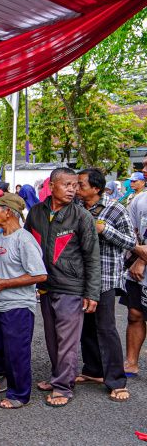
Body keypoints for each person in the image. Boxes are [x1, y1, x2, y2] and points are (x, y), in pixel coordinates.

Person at [25, 167, 100, 407]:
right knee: (52, 337)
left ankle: (63, 387)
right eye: (67, 184)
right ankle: (59, 376)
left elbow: (92, 257)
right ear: (52, 185)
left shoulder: (81, 216)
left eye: (76, 185)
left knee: (67, 340)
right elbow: (27, 246)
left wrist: (91, 292)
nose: (73, 189)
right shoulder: (36, 212)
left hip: (72, 287)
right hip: (45, 286)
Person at [0, 193, 47, 409]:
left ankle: (19, 394)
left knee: (16, 350)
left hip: (18, 306)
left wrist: (5, 283)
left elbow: (39, 275)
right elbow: (3, 265)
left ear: (8, 212)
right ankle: (7, 375)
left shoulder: (24, 239)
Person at [75, 168, 134, 402]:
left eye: (81, 185)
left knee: (106, 328)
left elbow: (131, 241)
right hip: (81, 277)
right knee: (86, 325)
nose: (76, 188)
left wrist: (105, 229)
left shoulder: (116, 209)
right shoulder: (78, 208)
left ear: (96, 188)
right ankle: (93, 370)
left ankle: (117, 381)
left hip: (106, 278)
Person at [121, 169, 147, 376]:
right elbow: (131, 233)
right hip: (138, 270)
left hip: (141, 264)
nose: (144, 170)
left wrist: (141, 260)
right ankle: (131, 362)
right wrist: (138, 256)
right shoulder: (139, 200)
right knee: (135, 314)